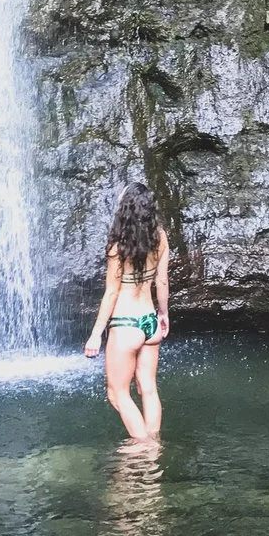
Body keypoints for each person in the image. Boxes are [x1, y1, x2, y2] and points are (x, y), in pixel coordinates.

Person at [84, 182, 169, 443]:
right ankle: (153, 443)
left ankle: (143, 447)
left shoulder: (117, 247)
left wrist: (96, 334)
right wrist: (163, 314)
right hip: (149, 321)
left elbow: (111, 293)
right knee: (148, 388)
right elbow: (161, 281)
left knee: (117, 394)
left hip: (125, 324)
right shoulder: (160, 238)